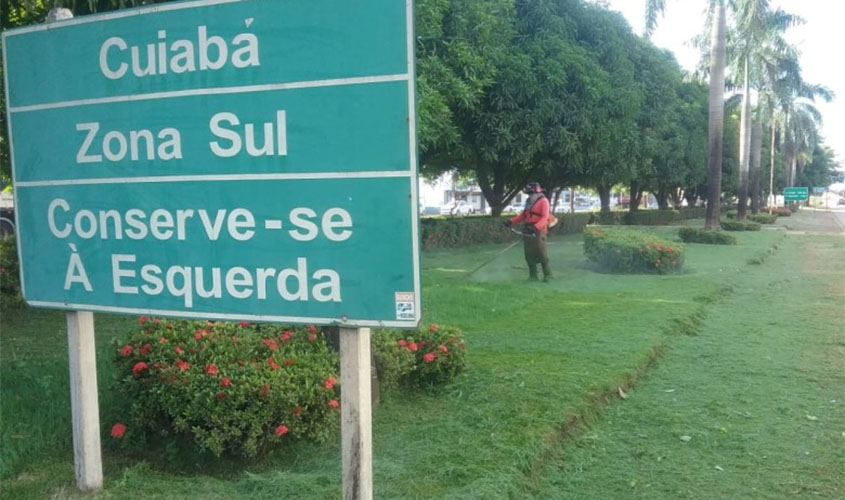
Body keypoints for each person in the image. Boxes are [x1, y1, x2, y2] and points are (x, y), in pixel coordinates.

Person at [504, 182, 552, 282]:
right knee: (529, 252)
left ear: (537, 191)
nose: (530, 195)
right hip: (528, 228)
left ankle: (548, 275)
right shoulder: (529, 201)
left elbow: (545, 217)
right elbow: (523, 215)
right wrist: (511, 221)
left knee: (541, 252)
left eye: (531, 193)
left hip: (539, 229)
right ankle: (533, 276)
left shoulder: (544, 201)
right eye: (528, 193)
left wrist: (535, 227)